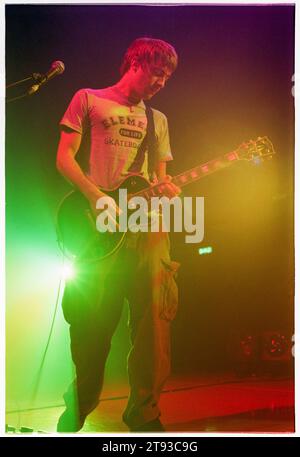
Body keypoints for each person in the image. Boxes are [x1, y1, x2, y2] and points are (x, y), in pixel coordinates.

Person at [56, 37, 181, 433]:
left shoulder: (158, 120)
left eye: (168, 76)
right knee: (91, 324)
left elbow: (160, 177)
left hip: (145, 226)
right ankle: (83, 400)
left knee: (153, 326)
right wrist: (95, 197)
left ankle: (144, 414)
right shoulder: (88, 98)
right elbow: (64, 157)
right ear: (135, 63)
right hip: (100, 230)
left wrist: (165, 189)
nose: (162, 80)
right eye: (157, 70)